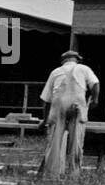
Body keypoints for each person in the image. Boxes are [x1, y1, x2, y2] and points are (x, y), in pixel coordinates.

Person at [40, 50, 100, 178]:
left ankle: (52, 175)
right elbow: (95, 83)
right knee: (76, 142)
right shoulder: (84, 69)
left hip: (59, 105)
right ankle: (74, 174)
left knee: (55, 143)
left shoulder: (55, 72)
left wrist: (45, 120)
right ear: (77, 60)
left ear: (63, 61)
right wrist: (95, 99)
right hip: (77, 105)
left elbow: (46, 101)